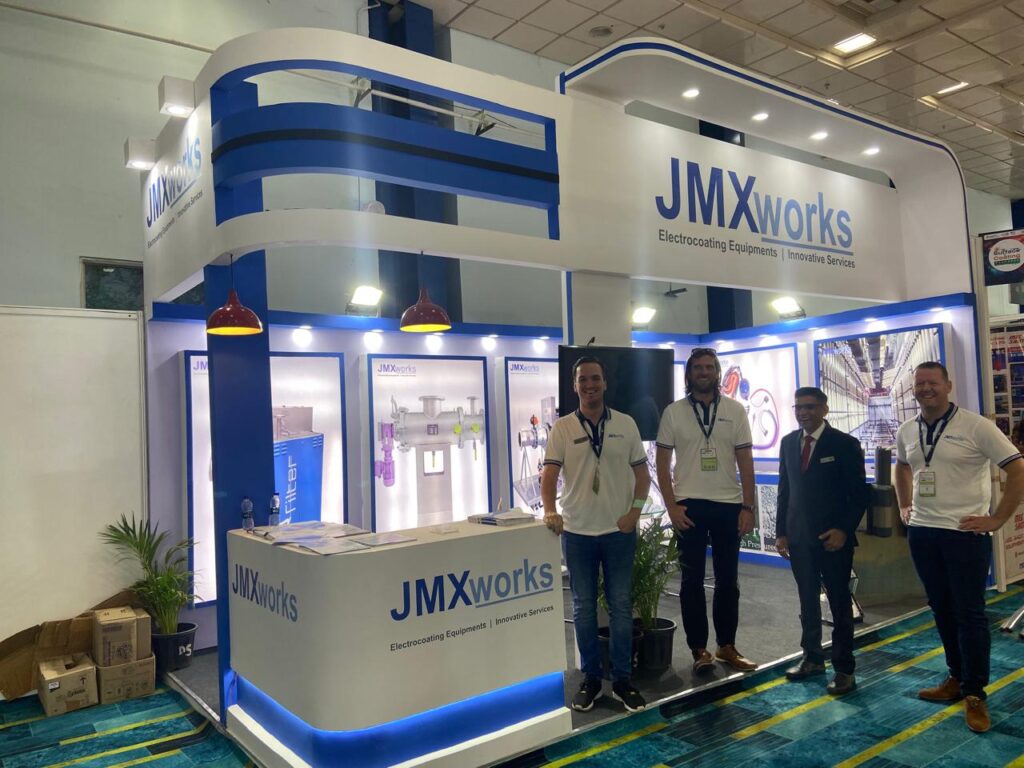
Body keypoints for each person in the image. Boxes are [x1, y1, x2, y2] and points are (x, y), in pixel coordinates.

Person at [895, 361, 1024, 733]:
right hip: (923, 533)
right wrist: (904, 503)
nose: (925, 389)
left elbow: (1017, 469)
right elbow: (901, 466)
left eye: (932, 382)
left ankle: (975, 693)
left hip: (964, 534)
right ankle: (955, 676)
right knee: (941, 608)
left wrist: (997, 519)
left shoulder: (976, 426)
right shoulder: (907, 429)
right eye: (919, 383)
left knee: (969, 614)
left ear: (948, 385)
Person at [541, 356, 651, 713]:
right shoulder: (562, 428)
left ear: (605, 383)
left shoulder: (626, 424)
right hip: (577, 532)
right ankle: (590, 679)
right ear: (574, 386)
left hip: (619, 531)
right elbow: (548, 475)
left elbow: (643, 476)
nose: (589, 385)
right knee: (583, 608)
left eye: (595, 379)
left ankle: (622, 680)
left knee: (621, 606)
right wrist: (550, 510)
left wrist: (635, 512)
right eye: (583, 380)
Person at [655, 347, 758, 674]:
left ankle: (726, 645)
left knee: (728, 580)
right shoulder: (673, 412)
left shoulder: (735, 411)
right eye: (698, 367)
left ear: (717, 373)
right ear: (689, 374)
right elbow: (661, 464)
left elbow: (746, 461)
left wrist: (748, 506)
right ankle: (699, 649)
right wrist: (671, 506)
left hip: (729, 505)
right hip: (689, 506)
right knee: (692, 581)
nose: (703, 372)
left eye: (709, 367)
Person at [776, 387, 869, 695]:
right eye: (798, 407)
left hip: (833, 540)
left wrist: (843, 530)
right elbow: (784, 490)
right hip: (799, 539)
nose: (803, 412)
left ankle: (844, 669)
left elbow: (859, 494)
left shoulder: (844, 444)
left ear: (824, 409)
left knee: (840, 604)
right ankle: (812, 658)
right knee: (807, 600)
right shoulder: (789, 443)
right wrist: (781, 532)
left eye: (810, 407)